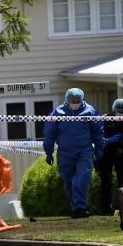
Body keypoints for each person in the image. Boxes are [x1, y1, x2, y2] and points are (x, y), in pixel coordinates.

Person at [43, 88, 104, 218]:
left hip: (84, 152)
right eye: (73, 101)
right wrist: (48, 152)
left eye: (78, 101)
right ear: (67, 100)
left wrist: (99, 147)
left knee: (81, 179)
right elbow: (50, 133)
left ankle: (81, 207)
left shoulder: (90, 111)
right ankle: (75, 207)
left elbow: (98, 131)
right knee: (69, 182)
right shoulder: (57, 112)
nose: (75, 103)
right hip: (65, 153)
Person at [98, 98, 123, 215]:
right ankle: (105, 210)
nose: (121, 113)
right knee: (106, 182)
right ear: (114, 109)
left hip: (122, 153)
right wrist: (109, 140)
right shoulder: (105, 119)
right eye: (119, 111)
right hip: (106, 153)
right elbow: (98, 138)